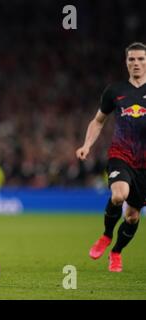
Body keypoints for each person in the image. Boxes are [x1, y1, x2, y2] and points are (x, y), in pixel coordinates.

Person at [76, 42, 146, 272]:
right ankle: (106, 235)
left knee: (133, 216)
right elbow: (98, 121)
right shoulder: (115, 91)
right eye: (132, 59)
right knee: (119, 195)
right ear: (126, 62)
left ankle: (116, 252)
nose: (136, 63)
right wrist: (86, 145)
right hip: (121, 155)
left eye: (141, 59)